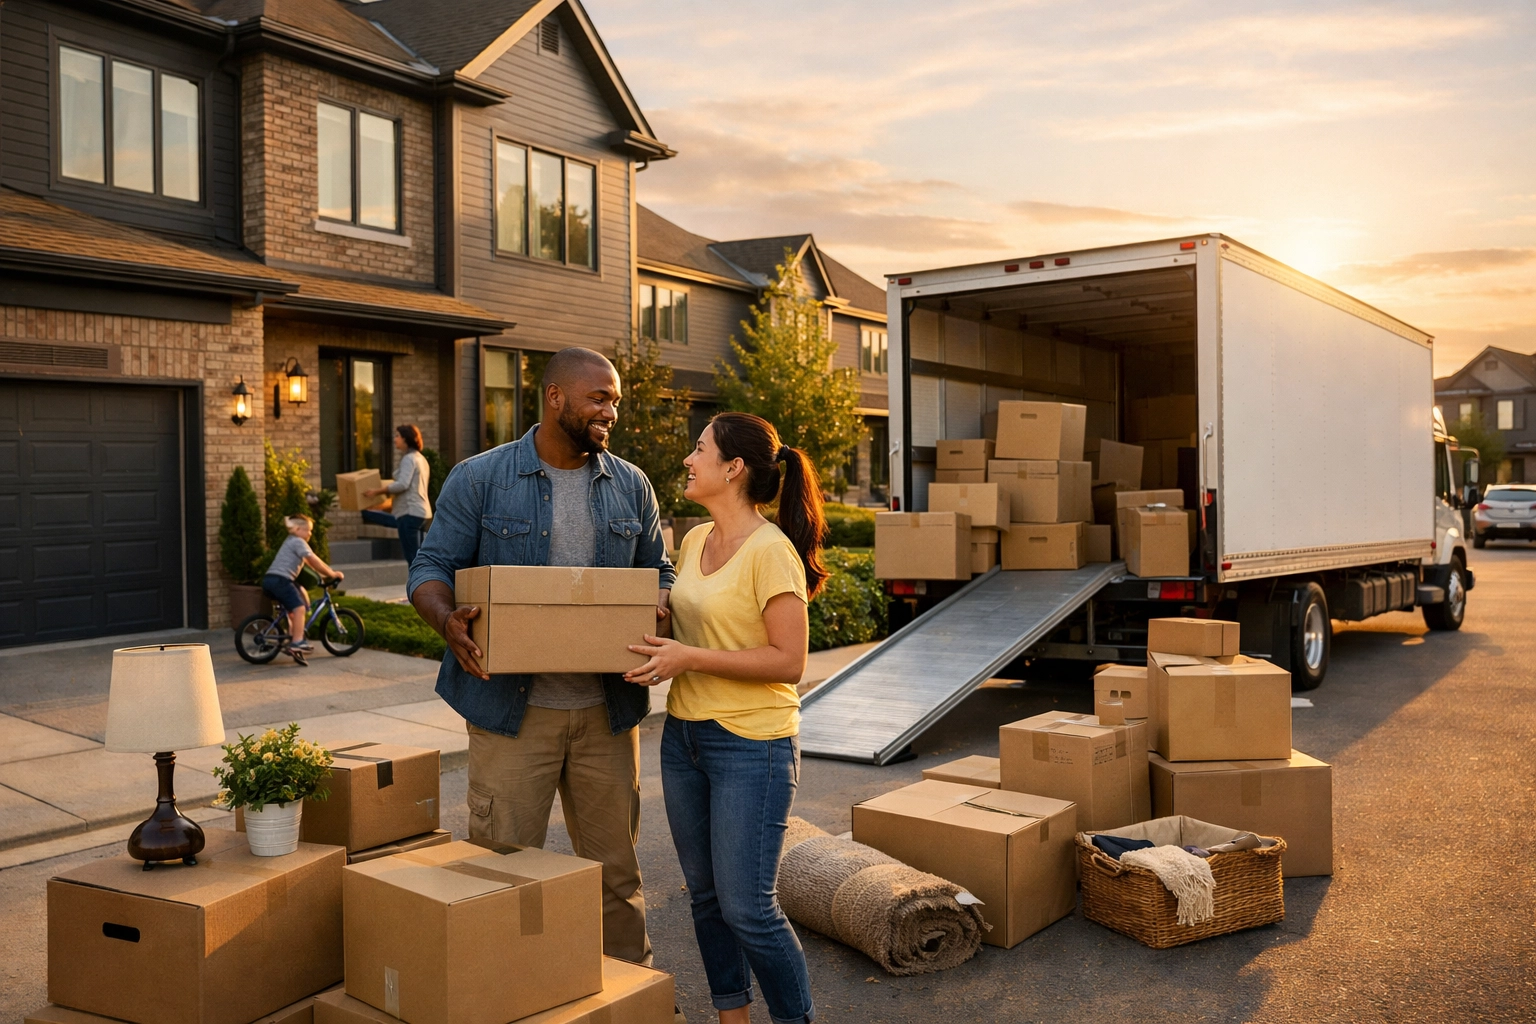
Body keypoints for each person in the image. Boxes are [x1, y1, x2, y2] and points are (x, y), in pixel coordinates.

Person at [408, 347, 674, 968]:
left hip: (607, 714)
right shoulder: (481, 478)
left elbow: (658, 568)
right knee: (501, 873)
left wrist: (657, 602)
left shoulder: (631, 484)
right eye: (599, 398)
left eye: (615, 401)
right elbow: (430, 567)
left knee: (616, 877)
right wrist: (447, 620)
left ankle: (632, 996)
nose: (611, 411)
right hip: (510, 712)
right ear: (555, 397)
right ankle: (505, 993)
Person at [623, 412, 825, 1024]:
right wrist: (653, 618)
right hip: (685, 737)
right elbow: (691, 624)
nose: (688, 459)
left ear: (733, 467)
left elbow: (788, 660)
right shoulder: (693, 542)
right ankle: (730, 1017)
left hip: (751, 745)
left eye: (699, 449)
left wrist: (688, 656)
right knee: (706, 899)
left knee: (748, 908)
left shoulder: (772, 552)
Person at [261, 515, 344, 654]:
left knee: (294, 609)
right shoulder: (298, 542)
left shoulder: (291, 541)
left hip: (271, 580)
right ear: (298, 529)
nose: (310, 533)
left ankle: (291, 638)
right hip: (281, 580)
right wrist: (332, 574)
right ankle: (297, 642)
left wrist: (324, 575)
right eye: (308, 530)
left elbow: (310, 564)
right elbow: (314, 560)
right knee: (299, 609)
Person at [361, 424, 432, 564]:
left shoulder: (409, 459)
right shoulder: (420, 458)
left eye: (397, 436)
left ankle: (417, 585)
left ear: (406, 439)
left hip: (409, 511)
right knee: (418, 557)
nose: (395, 439)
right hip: (421, 512)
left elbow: (402, 484)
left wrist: (377, 491)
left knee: (413, 558)